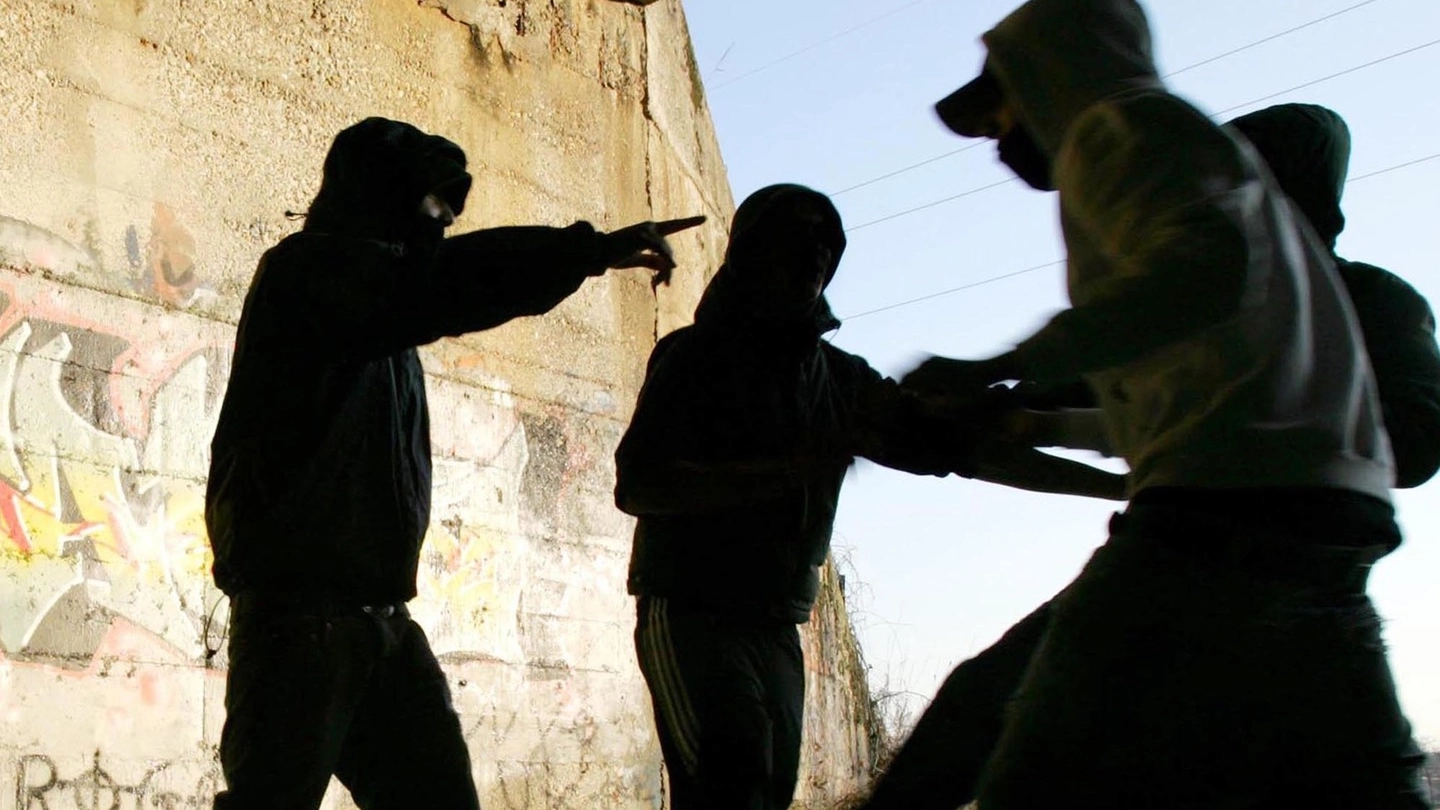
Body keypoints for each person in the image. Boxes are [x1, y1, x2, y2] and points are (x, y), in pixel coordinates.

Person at [898, 1, 1430, 807]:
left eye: (1004, 110)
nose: (999, 144)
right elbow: (1205, 413)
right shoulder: (1288, 286)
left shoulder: (1122, 133)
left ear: (1054, 81)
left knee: (1012, 749)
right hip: (1324, 541)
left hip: (1206, 536)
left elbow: (1204, 273)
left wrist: (1001, 363)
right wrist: (1036, 422)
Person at [205, 116, 703, 810]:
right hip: (301, 626)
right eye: (432, 205)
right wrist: (582, 252)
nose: (442, 225)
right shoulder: (314, 275)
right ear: (379, 198)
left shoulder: (380, 319)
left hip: (378, 624)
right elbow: (447, 283)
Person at [613, 183, 1121, 810]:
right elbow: (639, 485)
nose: (817, 255)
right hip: (690, 609)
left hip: (776, 621)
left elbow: (957, 449)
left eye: (829, 244)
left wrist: (1122, 481)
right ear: (750, 253)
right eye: (797, 241)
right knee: (731, 778)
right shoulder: (693, 358)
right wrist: (794, 466)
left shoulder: (838, 378)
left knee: (766, 789)